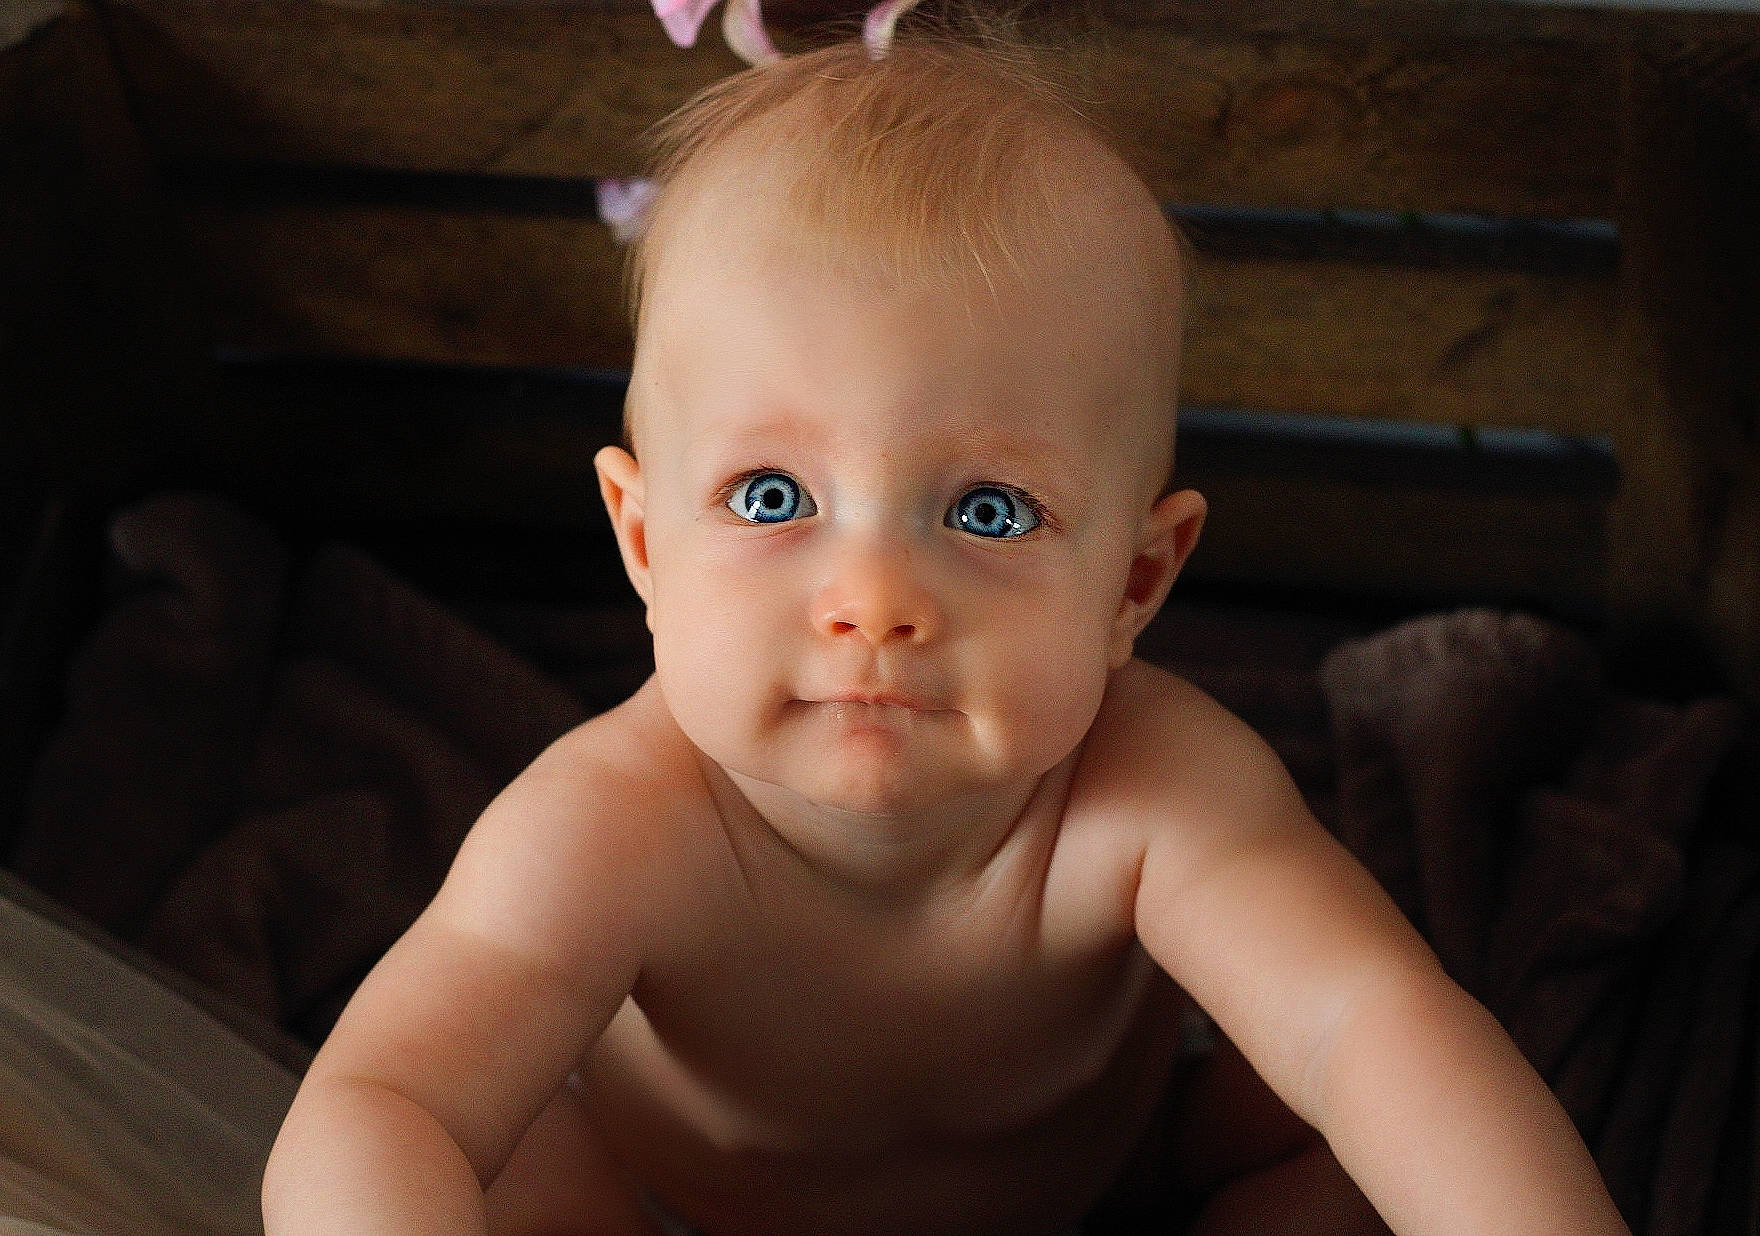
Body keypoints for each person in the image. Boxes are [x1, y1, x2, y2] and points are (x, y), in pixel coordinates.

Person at [262, 18, 1630, 1236]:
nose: (874, 601)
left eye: (986, 512)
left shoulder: (1158, 792)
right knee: (502, 1167)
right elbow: (384, 1101)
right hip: (670, 1203)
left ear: (1135, 585)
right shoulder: (613, 823)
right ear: (643, 543)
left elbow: (1364, 1025)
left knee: (1366, 1144)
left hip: (1099, 1181)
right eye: (773, 494)